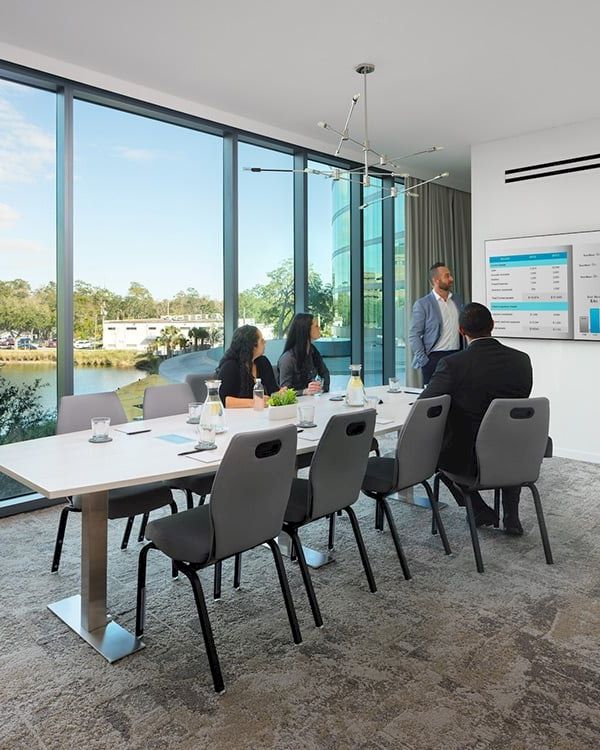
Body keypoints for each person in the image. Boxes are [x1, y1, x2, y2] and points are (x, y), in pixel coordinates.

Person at [419, 302, 532, 535]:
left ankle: (479, 508)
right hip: (518, 452)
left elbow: (425, 403)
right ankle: (511, 515)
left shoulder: (453, 364)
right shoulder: (522, 360)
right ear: (493, 325)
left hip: (471, 458)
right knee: (506, 439)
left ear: (461, 331)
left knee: (436, 453)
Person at [409, 262, 464, 385]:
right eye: (447, 276)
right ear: (436, 280)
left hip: (457, 356)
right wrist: (424, 360)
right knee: (433, 400)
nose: (451, 279)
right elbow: (414, 334)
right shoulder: (423, 304)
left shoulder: (457, 300)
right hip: (434, 358)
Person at [216, 325, 279, 408]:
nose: (265, 342)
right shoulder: (230, 367)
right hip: (236, 417)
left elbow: (273, 391)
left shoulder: (263, 362)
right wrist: (255, 402)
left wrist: (280, 394)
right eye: (262, 340)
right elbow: (224, 400)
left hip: (260, 415)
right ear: (252, 345)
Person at [278, 313, 330, 395]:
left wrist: (322, 388)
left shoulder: (313, 351)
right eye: (316, 326)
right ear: (306, 329)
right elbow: (283, 392)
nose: (319, 328)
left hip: (310, 401)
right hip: (294, 405)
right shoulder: (288, 358)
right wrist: (304, 392)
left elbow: (325, 373)